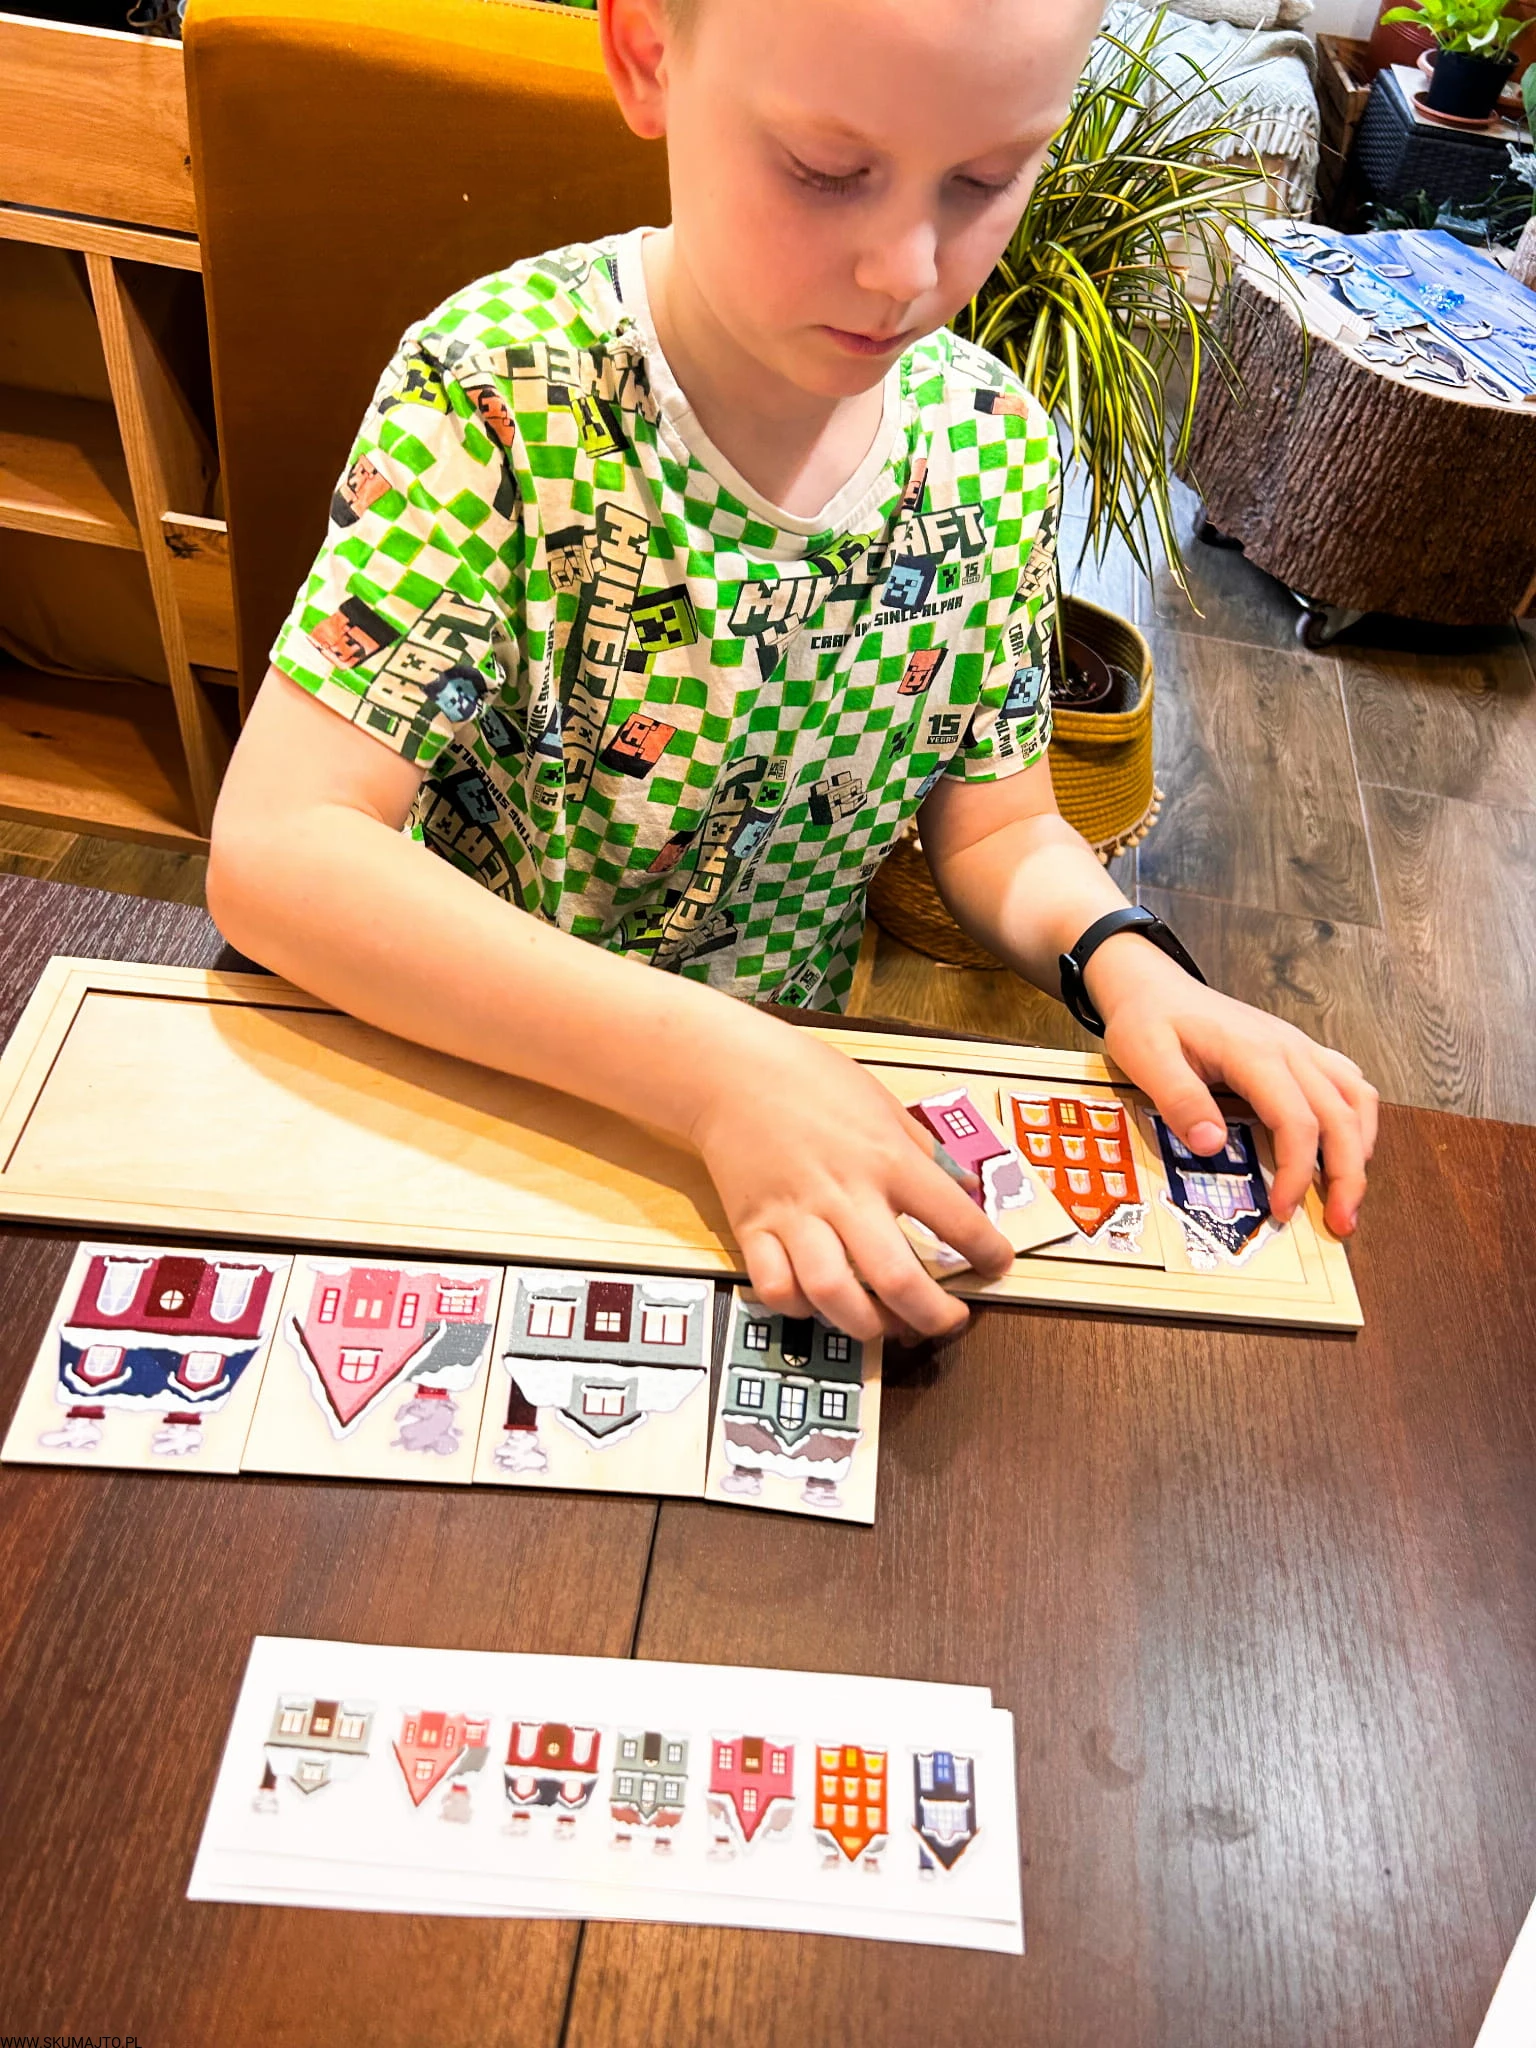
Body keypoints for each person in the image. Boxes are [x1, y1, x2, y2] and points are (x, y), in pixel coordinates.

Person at [207, 0, 1378, 1348]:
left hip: (790, 1138)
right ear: (649, 55)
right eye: (826, 172)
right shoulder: (495, 394)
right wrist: (717, 1072)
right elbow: (280, 848)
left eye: (986, 180)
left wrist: (1128, 961)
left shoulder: (994, 449)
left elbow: (998, 828)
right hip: (483, 1079)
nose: (905, 269)